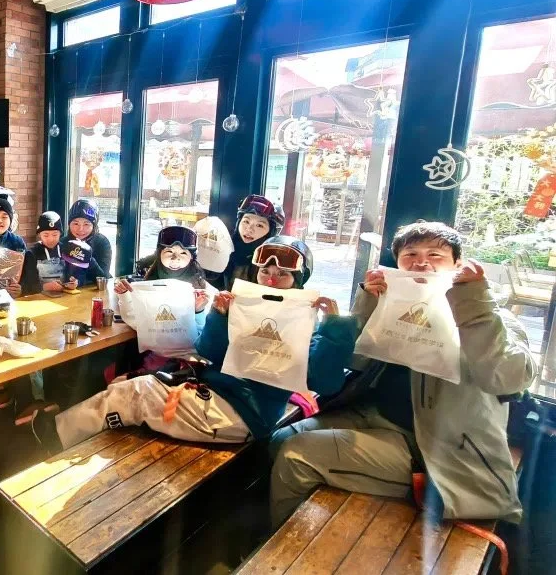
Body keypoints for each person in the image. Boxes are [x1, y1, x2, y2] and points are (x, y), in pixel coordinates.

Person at [268, 222, 536, 527]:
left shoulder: (492, 316)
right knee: (281, 438)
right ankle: (304, 525)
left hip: (434, 449)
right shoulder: (393, 306)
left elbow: (508, 379)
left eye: (435, 255)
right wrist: (368, 304)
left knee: (295, 455)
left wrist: (474, 302)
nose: (421, 263)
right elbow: (355, 360)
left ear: (457, 264)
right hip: (375, 415)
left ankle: (284, 541)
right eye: (410, 255)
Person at [55, 236, 354, 451]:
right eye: (265, 272)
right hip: (215, 395)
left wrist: (335, 328)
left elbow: (324, 382)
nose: (271, 281)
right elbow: (210, 351)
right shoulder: (245, 307)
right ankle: (60, 437)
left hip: (243, 414)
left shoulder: (307, 322)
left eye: (283, 275)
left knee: (129, 394)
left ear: (299, 279)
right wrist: (219, 315)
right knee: (123, 385)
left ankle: (49, 439)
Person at [111, 226, 215, 382]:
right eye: (169, 252)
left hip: (189, 362)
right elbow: (138, 323)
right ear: (159, 254)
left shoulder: (204, 291)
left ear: (192, 257)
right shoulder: (149, 285)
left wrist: (199, 311)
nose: (175, 258)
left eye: (183, 253)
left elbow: (206, 340)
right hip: (155, 357)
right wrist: (125, 296)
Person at [205, 194, 284, 291]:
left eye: (259, 225)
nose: (249, 229)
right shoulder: (222, 248)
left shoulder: (275, 261)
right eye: (246, 221)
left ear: (271, 232)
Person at [65, 199, 113, 278]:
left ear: (94, 226)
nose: (80, 229)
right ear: (69, 224)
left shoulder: (102, 243)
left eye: (86, 224)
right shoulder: (63, 242)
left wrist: (88, 258)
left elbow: (103, 278)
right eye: (76, 223)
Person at [29, 211, 65, 294]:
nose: (51, 239)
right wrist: (43, 287)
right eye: (46, 235)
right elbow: (27, 283)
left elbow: (72, 274)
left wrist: (73, 282)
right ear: (39, 234)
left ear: (60, 234)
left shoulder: (66, 250)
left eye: (55, 235)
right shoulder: (32, 253)